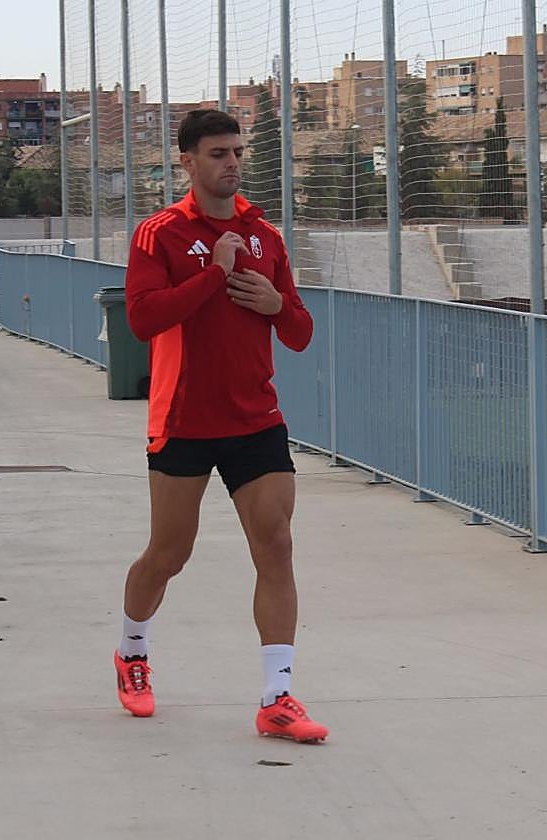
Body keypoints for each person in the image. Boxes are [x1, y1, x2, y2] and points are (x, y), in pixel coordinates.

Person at [113, 109, 327, 743]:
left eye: (236, 152)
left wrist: (275, 303)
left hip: (255, 417)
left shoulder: (266, 236)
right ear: (188, 161)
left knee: (277, 542)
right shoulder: (160, 234)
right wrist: (214, 273)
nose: (231, 162)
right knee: (168, 554)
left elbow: (300, 332)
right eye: (217, 153)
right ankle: (131, 651)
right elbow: (143, 321)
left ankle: (278, 697)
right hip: (183, 418)